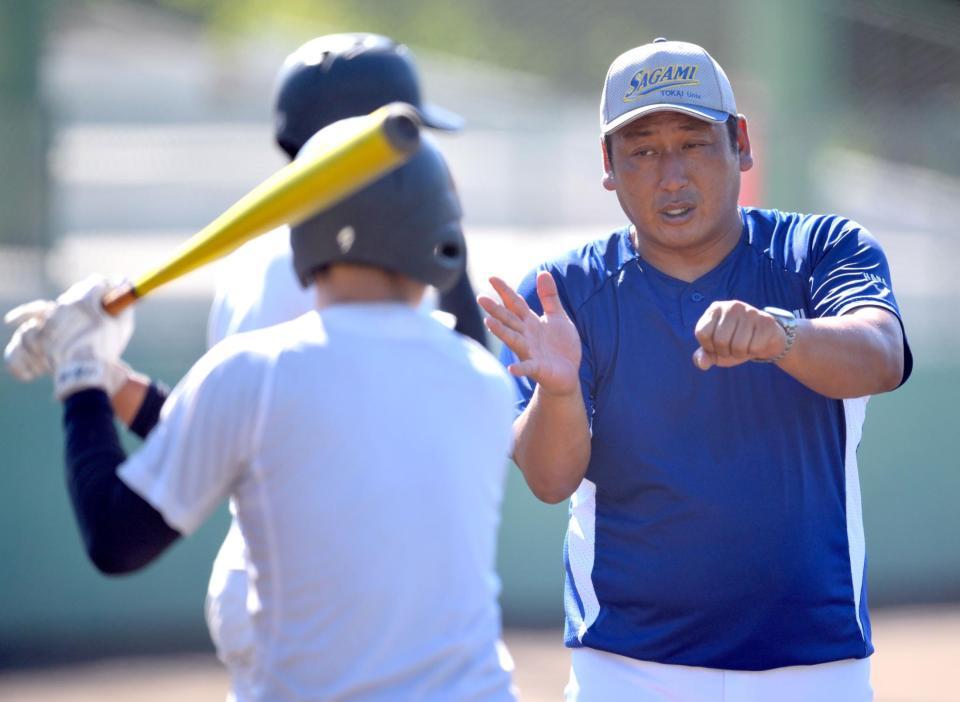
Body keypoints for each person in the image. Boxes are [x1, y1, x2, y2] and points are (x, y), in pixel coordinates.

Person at [5, 126, 518, 702]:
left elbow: (118, 538)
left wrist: (81, 377)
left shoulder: (254, 372)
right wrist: (111, 378)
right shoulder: (481, 380)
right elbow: (275, 444)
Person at [479, 38, 912, 702]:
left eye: (694, 142)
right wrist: (561, 391)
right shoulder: (559, 296)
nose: (671, 175)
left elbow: (881, 357)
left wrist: (781, 335)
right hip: (626, 670)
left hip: (815, 667)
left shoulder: (820, 250)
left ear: (741, 143)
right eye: (644, 150)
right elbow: (547, 478)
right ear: (609, 165)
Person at [202, 32, 489, 688]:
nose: (425, 151)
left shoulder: (262, 253)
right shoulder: (327, 267)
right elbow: (470, 372)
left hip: (280, 577)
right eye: (407, 135)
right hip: (321, 596)